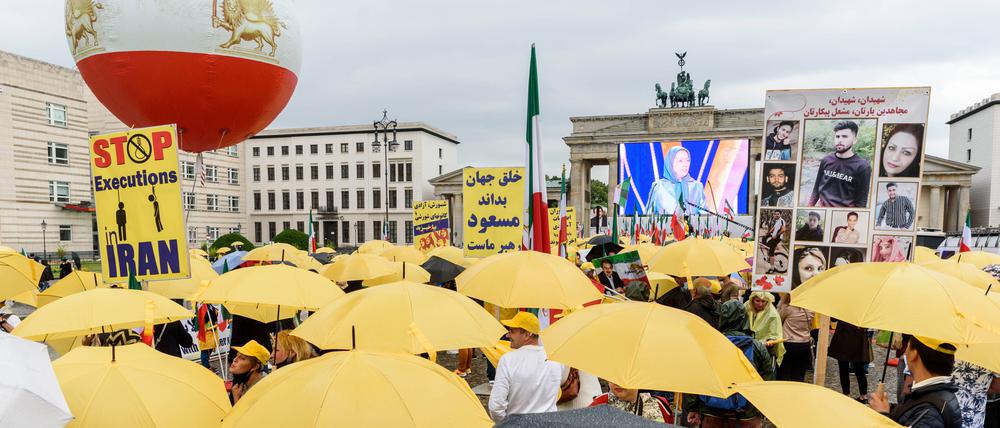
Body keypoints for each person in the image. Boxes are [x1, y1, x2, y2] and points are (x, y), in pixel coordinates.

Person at [686, 300, 774, 427]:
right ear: (744, 319)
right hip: (746, 414)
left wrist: (692, 407)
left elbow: (697, 377)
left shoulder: (709, 344)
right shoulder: (757, 347)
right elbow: (767, 380)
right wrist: (761, 410)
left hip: (712, 411)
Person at [869, 335, 963, 427]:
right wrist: (890, 409)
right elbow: (911, 415)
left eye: (908, 347)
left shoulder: (929, 414)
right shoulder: (933, 393)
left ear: (914, 354)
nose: (905, 352)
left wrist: (882, 415)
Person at [489, 312, 562, 421]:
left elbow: (495, 407)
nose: (508, 335)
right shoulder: (555, 358)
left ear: (527, 335)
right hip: (549, 423)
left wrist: (510, 423)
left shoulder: (508, 360)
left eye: (512, 331)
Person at [807, 120, 871, 207]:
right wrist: (809, 206)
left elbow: (861, 201)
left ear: (855, 140)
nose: (839, 140)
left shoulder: (863, 166)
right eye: (837, 136)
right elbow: (816, 189)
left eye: (845, 136)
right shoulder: (826, 160)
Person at [645, 146, 706, 216]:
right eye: (680, 161)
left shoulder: (697, 186)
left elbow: (705, 216)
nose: (685, 164)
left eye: (687, 160)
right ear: (670, 163)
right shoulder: (658, 186)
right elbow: (648, 217)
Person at [589, 381, 672, 423]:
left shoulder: (659, 404)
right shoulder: (601, 402)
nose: (617, 383)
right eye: (613, 377)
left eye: (623, 377)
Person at [828, 319, 871, 400]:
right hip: (858, 335)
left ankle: (846, 394)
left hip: (844, 336)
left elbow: (833, 319)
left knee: (844, 368)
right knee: (859, 369)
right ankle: (863, 396)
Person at [951, 360, 1000, 428]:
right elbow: (997, 386)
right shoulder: (990, 353)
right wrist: (978, 388)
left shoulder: (950, 351)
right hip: (971, 416)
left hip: (943, 407)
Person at [776, 294, 813, 382]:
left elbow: (778, 320)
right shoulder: (809, 311)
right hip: (804, 344)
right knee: (799, 373)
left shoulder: (788, 309)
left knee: (784, 372)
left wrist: (781, 303)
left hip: (789, 343)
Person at [744, 291, 785, 366]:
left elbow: (774, 334)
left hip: (764, 350)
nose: (760, 304)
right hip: (747, 346)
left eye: (763, 301)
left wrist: (770, 341)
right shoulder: (747, 307)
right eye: (757, 301)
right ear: (752, 300)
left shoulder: (772, 314)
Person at [229, 340, 270, 404]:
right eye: (236, 355)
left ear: (255, 367)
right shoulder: (242, 382)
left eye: (242, 358)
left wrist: (236, 399)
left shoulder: (260, 390)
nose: (235, 360)